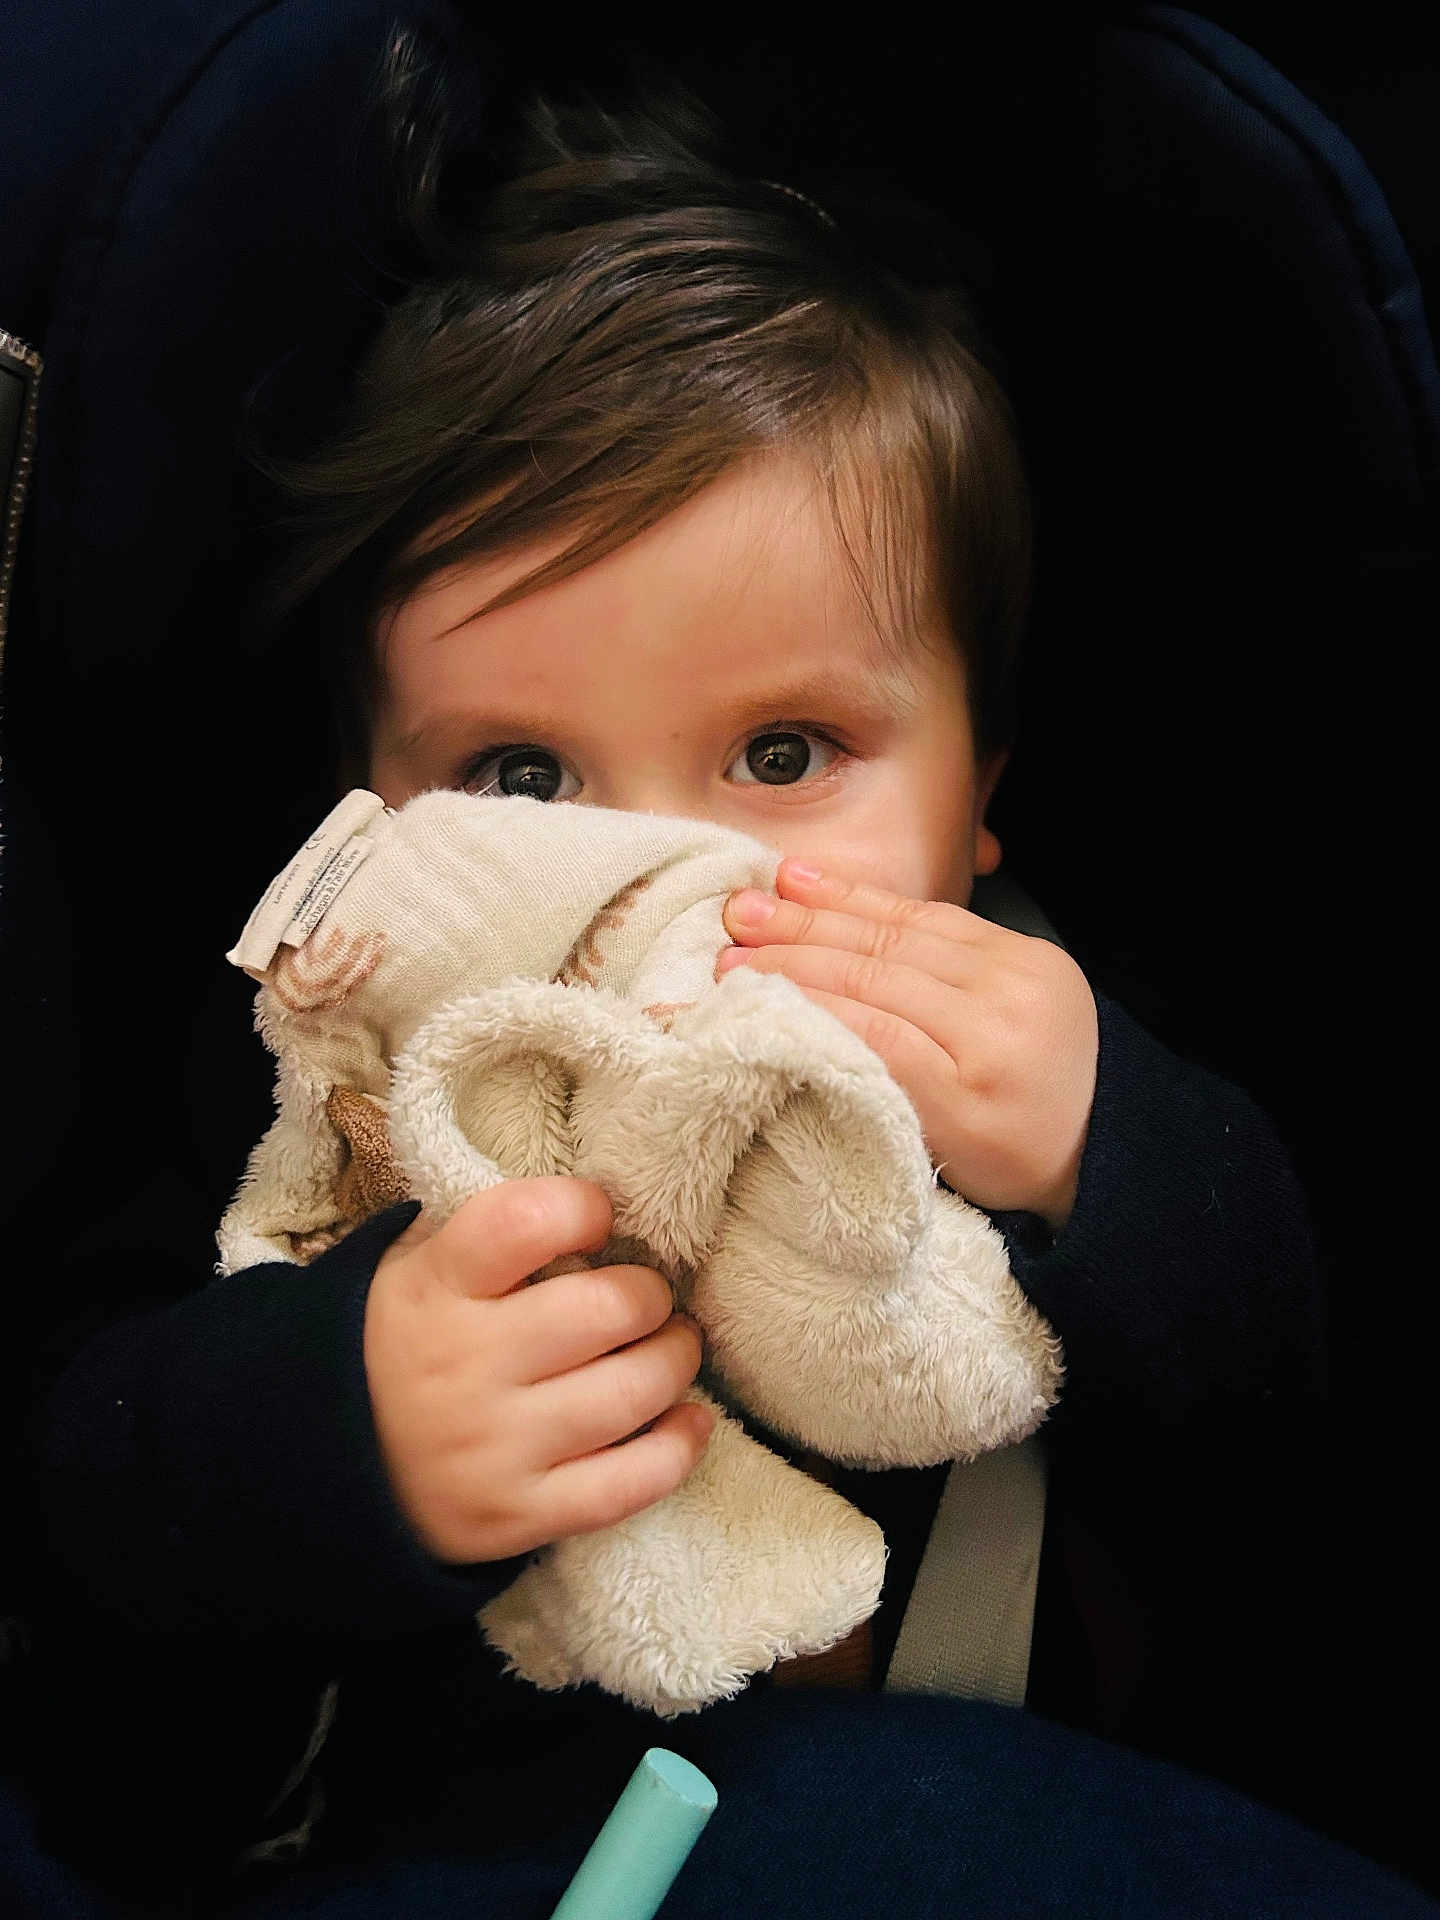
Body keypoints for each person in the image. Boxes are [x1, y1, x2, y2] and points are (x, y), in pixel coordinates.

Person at [9, 32, 1402, 1920]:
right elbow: (90, 1542)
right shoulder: (344, 1080)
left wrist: (1125, 1156)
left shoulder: (1031, 1040)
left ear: (980, 796)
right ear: (377, 809)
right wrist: (340, 1426)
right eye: (522, 777)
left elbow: (1298, 1459)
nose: (662, 860)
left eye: (781, 756)